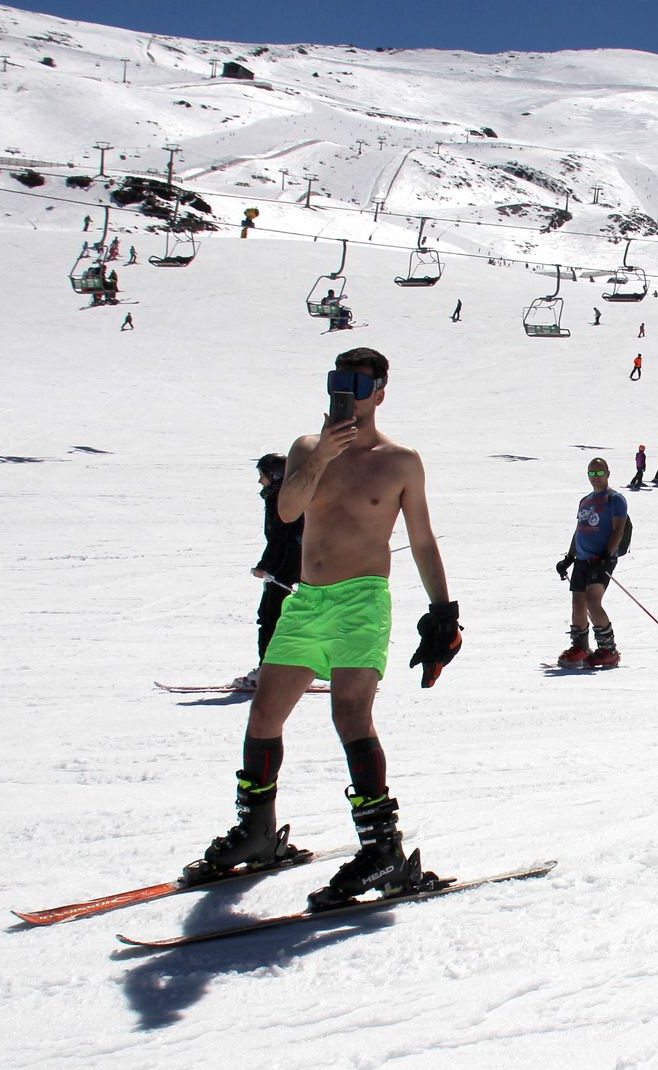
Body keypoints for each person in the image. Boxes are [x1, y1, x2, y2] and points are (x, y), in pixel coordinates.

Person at [188, 347, 462, 910]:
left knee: (350, 714)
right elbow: (288, 510)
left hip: (362, 600)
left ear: (381, 391)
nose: (348, 393)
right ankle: (259, 833)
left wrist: (443, 612)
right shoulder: (308, 449)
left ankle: (382, 849)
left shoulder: (400, 461)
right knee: (264, 710)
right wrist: (318, 456)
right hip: (307, 601)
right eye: (339, 381)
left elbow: (422, 539)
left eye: (359, 384)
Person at [231, 454, 305, 692]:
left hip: (285, 567)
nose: (260, 482)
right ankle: (293, 670)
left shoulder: (280, 501)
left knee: (271, 616)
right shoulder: (290, 497)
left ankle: (268, 672)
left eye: (262, 476)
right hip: (298, 565)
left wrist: (266, 566)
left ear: (275, 476)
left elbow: (280, 539)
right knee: (290, 618)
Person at [555, 456, 627, 668]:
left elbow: (618, 530)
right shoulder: (585, 501)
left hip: (601, 559)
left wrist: (606, 555)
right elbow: (579, 530)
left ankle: (608, 649)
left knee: (592, 601)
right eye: (591, 473)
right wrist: (569, 557)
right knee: (578, 602)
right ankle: (580, 647)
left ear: (607, 473)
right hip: (582, 559)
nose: (595, 477)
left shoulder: (615, 499)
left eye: (599, 473)